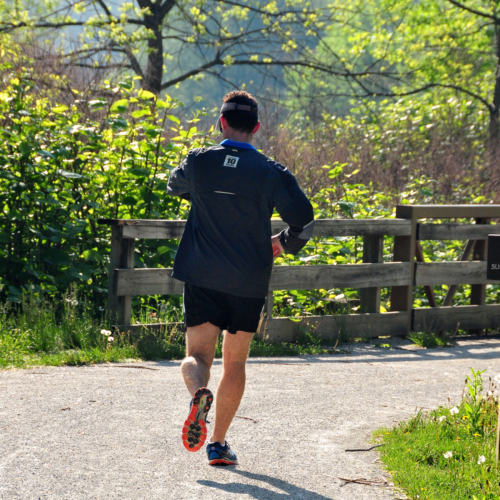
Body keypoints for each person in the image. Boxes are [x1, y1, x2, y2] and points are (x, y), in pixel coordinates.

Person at [167, 90, 314, 466]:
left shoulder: (199, 162)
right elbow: (305, 220)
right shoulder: (271, 172)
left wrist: (206, 199)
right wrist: (281, 242)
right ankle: (217, 444)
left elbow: (174, 184)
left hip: (202, 271)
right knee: (234, 363)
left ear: (221, 123)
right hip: (248, 277)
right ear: (257, 127)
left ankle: (199, 392)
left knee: (196, 356)